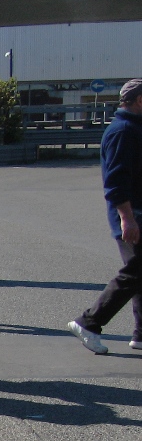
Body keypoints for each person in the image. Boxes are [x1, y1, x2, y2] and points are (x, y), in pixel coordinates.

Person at [68, 78, 142, 356]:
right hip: (133, 214)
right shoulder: (123, 130)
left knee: (139, 273)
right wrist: (127, 218)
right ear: (139, 101)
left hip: (135, 212)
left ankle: (140, 334)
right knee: (134, 272)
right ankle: (88, 322)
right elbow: (115, 182)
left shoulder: (133, 128)